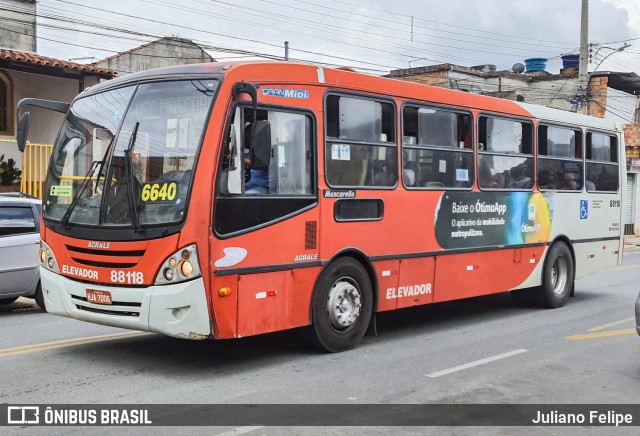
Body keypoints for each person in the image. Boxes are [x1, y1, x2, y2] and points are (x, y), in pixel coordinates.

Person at [243, 124, 269, 194]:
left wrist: (240, 159)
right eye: (244, 137)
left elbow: (258, 163)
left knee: (247, 195)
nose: (245, 140)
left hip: (264, 186)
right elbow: (244, 156)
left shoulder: (265, 151)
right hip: (252, 184)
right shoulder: (252, 152)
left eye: (248, 137)